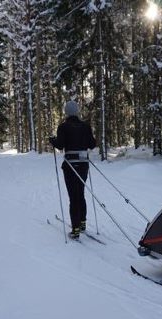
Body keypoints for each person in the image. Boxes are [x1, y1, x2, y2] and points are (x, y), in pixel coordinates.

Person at [49, 100, 96, 239]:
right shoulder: (86, 126)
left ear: (66, 112)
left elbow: (60, 145)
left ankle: (75, 229)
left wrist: (52, 140)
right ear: (77, 111)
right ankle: (82, 223)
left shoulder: (63, 127)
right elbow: (92, 144)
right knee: (80, 193)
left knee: (73, 196)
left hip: (70, 165)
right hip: (83, 164)